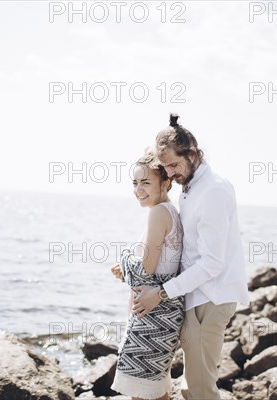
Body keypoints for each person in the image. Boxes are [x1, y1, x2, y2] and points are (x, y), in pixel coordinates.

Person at [133, 114, 250, 400]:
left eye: (174, 165)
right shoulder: (192, 185)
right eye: (166, 167)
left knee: (199, 390)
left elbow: (212, 263)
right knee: (190, 387)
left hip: (210, 297)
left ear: (194, 153)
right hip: (196, 296)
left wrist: (159, 293)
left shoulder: (213, 191)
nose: (171, 174)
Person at [110, 150, 184, 400]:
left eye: (145, 182)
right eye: (135, 182)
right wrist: (127, 270)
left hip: (153, 318)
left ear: (166, 183)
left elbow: (146, 270)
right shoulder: (170, 211)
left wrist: (124, 259)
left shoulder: (159, 212)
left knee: (141, 393)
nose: (138, 189)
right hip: (162, 314)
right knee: (157, 391)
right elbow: (159, 266)